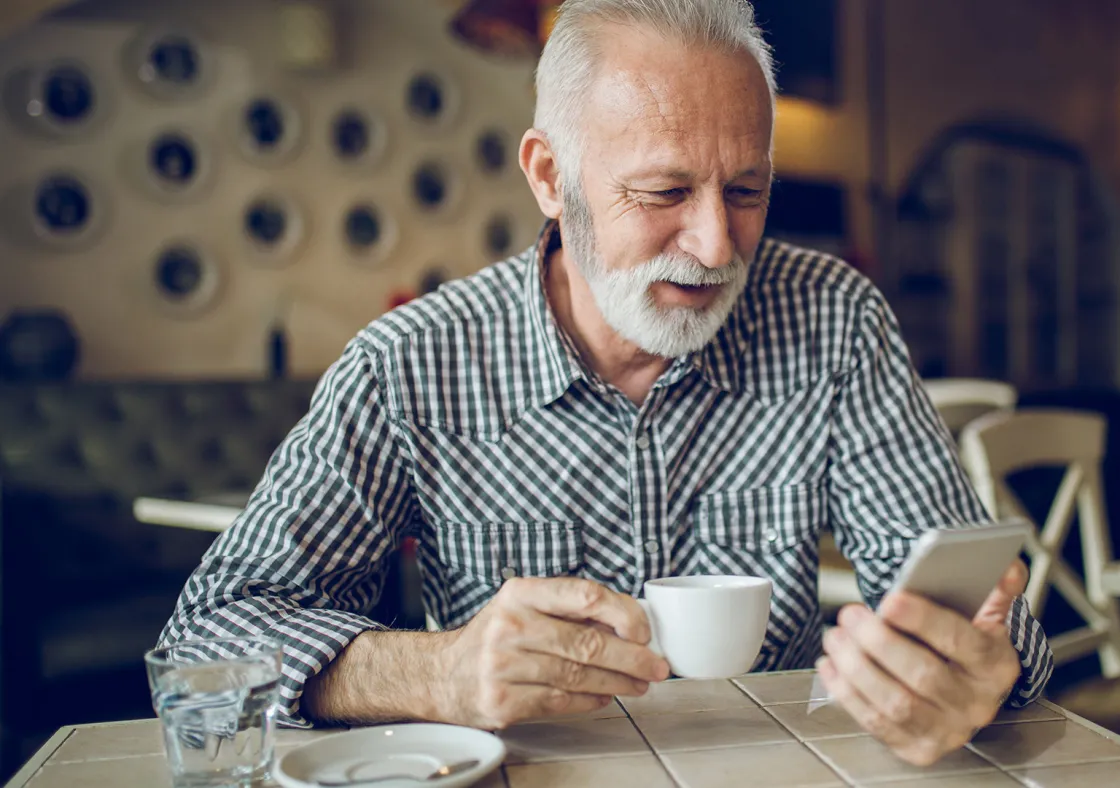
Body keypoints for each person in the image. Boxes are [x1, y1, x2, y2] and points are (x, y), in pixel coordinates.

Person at [159, 0, 1051, 767]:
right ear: (551, 176)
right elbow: (204, 645)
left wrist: (980, 668)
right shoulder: (410, 364)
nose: (716, 246)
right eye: (664, 192)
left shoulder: (833, 321)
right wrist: (443, 671)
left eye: (746, 189)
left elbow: (980, 609)